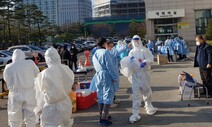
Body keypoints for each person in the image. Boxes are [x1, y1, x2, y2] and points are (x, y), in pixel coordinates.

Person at [120, 35, 157, 124]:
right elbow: (128, 63)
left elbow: (151, 58)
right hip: (135, 76)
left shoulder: (145, 50)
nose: (136, 42)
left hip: (144, 75)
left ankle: (148, 106)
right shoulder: (131, 52)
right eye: (134, 41)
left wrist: (145, 62)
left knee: (147, 91)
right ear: (132, 42)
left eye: (137, 40)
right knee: (136, 95)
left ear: (140, 41)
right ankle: (135, 113)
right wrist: (130, 61)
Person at [34, 47, 74, 127]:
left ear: (47, 58)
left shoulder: (44, 74)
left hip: (51, 107)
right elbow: (70, 82)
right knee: (65, 124)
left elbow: (39, 94)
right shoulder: (66, 69)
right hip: (65, 103)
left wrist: (37, 109)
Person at [3, 49, 40, 127]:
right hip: (29, 92)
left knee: (14, 116)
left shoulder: (8, 67)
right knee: (31, 116)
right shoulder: (30, 63)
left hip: (15, 93)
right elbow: (37, 74)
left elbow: (6, 79)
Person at [92, 37, 118, 126]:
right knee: (108, 95)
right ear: (104, 44)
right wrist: (114, 77)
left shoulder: (95, 53)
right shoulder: (105, 52)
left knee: (101, 95)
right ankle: (104, 118)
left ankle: (101, 115)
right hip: (105, 74)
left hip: (98, 74)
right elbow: (109, 66)